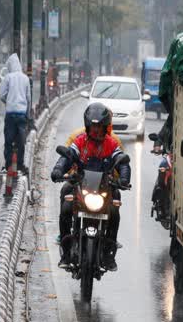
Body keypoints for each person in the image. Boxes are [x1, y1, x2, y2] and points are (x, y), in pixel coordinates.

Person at [51, 103, 131, 271]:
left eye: (100, 127)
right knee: (66, 204)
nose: (96, 131)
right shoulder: (79, 141)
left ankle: (109, 253)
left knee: (115, 211)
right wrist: (59, 170)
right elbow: (68, 157)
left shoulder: (112, 144)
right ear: (87, 126)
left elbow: (122, 161)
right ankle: (65, 252)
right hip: (80, 184)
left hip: (104, 187)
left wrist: (123, 178)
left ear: (105, 128)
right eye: (93, 127)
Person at [0, 53, 31, 173]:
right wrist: (27, 114)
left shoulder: (8, 78)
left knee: (8, 141)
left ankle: (8, 165)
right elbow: (28, 98)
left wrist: (8, 102)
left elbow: (2, 96)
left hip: (10, 115)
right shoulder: (25, 78)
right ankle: (20, 165)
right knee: (21, 142)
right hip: (22, 115)